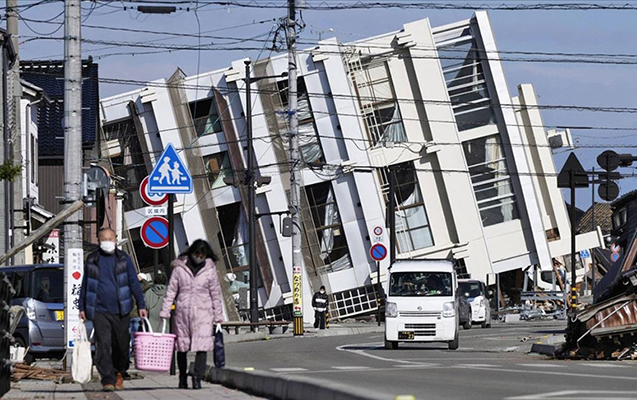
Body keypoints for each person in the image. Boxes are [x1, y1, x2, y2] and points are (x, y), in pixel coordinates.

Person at [78, 228, 147, 392]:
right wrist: (81, 307)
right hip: (99, 310)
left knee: (122, 345)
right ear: (99, 240)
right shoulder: (92, 260)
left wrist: (141, 304)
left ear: (116, 240)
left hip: (122, 310)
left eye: (110, 238)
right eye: (104, 239)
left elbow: (133, 283)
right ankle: (107, 379)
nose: (107, 241)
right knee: (103, 345)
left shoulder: (124, 259)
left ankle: (119, 372)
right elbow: (85, 285)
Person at [160, 240, 224, 390]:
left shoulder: (209, 269)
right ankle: (182, 377)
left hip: (203, 312)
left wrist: (218, 315)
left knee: (202, 347)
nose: (198, 257)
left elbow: (215, 293)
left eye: (201, 255)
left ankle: (197, 378)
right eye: (196, 254)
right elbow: (171, 291)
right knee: (181, 347)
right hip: (183, 311)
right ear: (191, 253)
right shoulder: (179, 269)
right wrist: (166, 310)